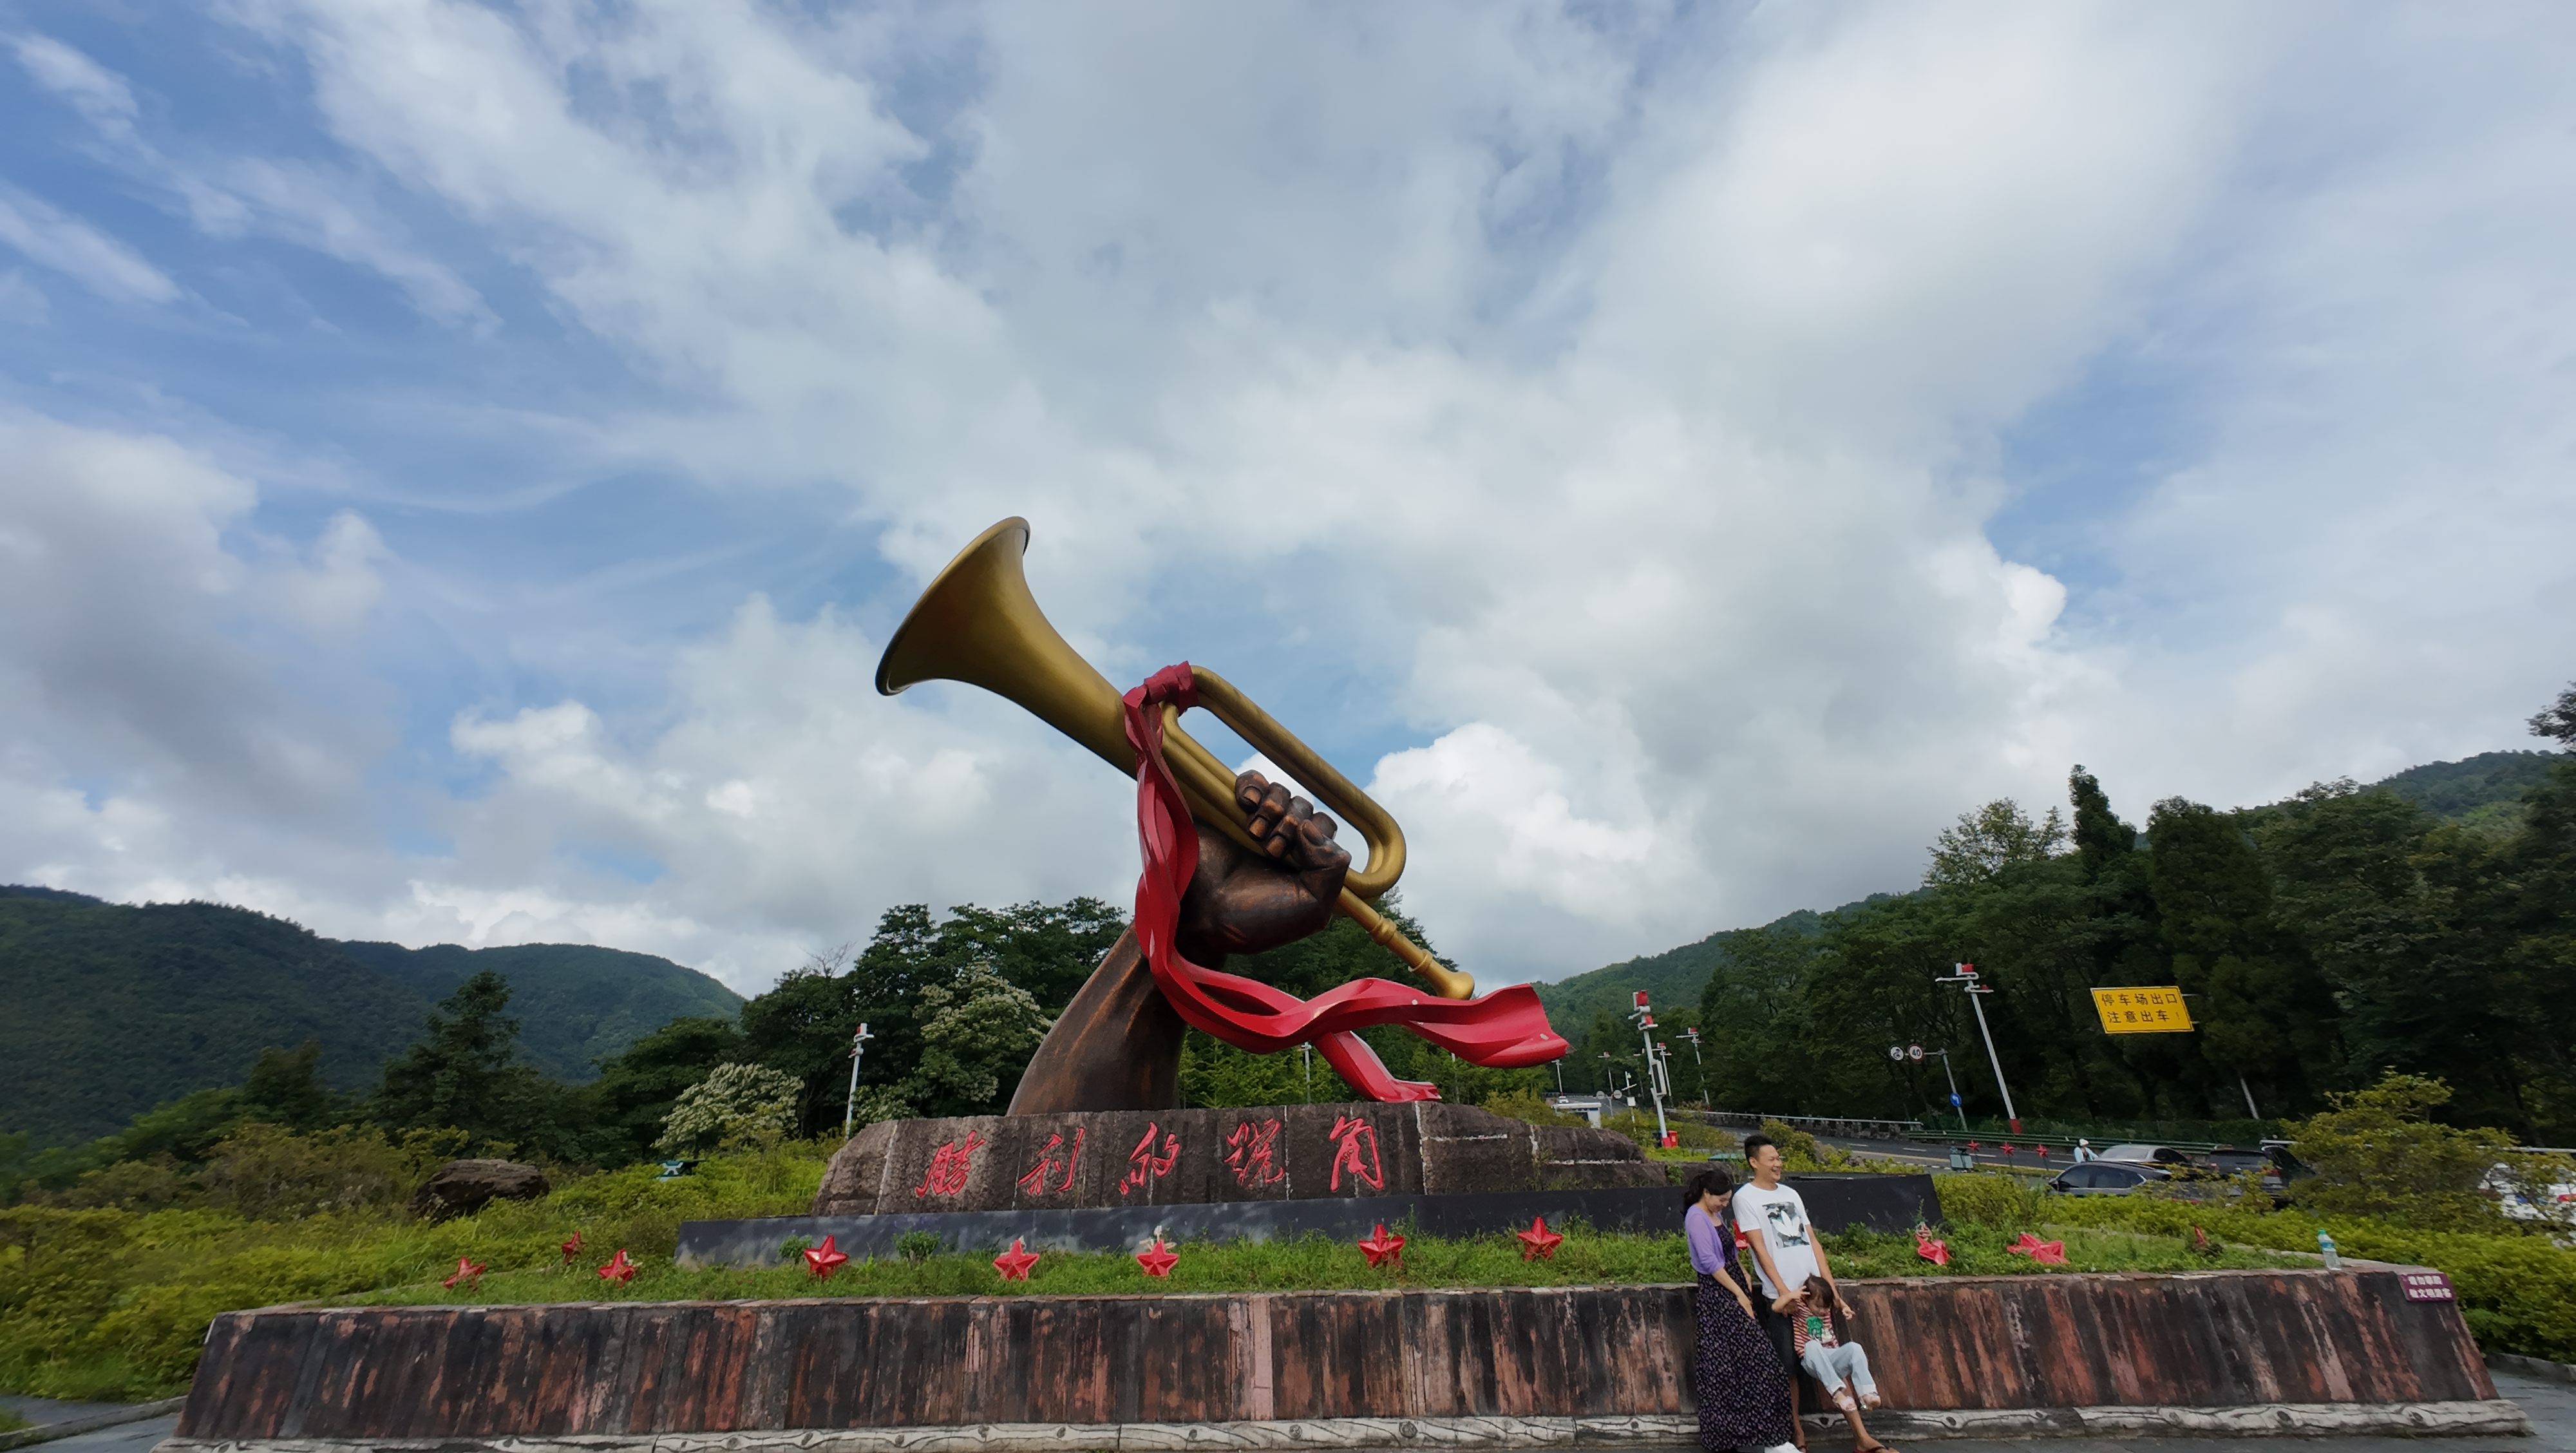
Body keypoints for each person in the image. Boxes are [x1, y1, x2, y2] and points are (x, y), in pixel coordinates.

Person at [1736, 1134, 1886, 1453]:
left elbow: (1813, 1242)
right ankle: (1797, 1433)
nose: (1778, 1164)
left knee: (1831, 1353)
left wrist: (1832, 1290)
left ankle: (1861, 1436)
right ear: (1754, 1162)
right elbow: (1759, 1247)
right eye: (1771, 1159)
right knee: (1788, 1369)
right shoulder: (1745, 1197)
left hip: (1815, 1294)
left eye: (1779, 1158)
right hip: (1784, 1298)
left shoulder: (1791, 1193)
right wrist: (1784, 1292)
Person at [1683, 1167, 1797, 1453]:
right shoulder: (1696, 1217)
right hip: (1719, 1294)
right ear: (1706, 1193)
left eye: (1727, 1200)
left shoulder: (1714, 1215)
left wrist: (1743, 1274)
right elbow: (1710, 1263)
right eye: (1720, 1200)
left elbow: (1729, 1252)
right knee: (1744, 1362)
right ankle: (1747, 1437)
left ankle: (1767, 1436)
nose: (1724, 1205)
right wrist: (1739, 1294)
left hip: (1733, 1285)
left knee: (1745, 1364)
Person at [1788, 1275, 1880, 1414]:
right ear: (1806, 1298)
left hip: (1832, 1358)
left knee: (1855, 1348)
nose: (1822, 1311)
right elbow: (1776, 1307)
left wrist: (1845, 1307)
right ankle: (1837, 1393)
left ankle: (1867, 1393)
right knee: (1812, 1345)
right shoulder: (1800, 1307)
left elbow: (1836, 1301)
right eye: (1818, 1307)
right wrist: (1790, 1295)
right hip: (1812, 1360)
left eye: (1826, 1308)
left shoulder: (1827, 1308)